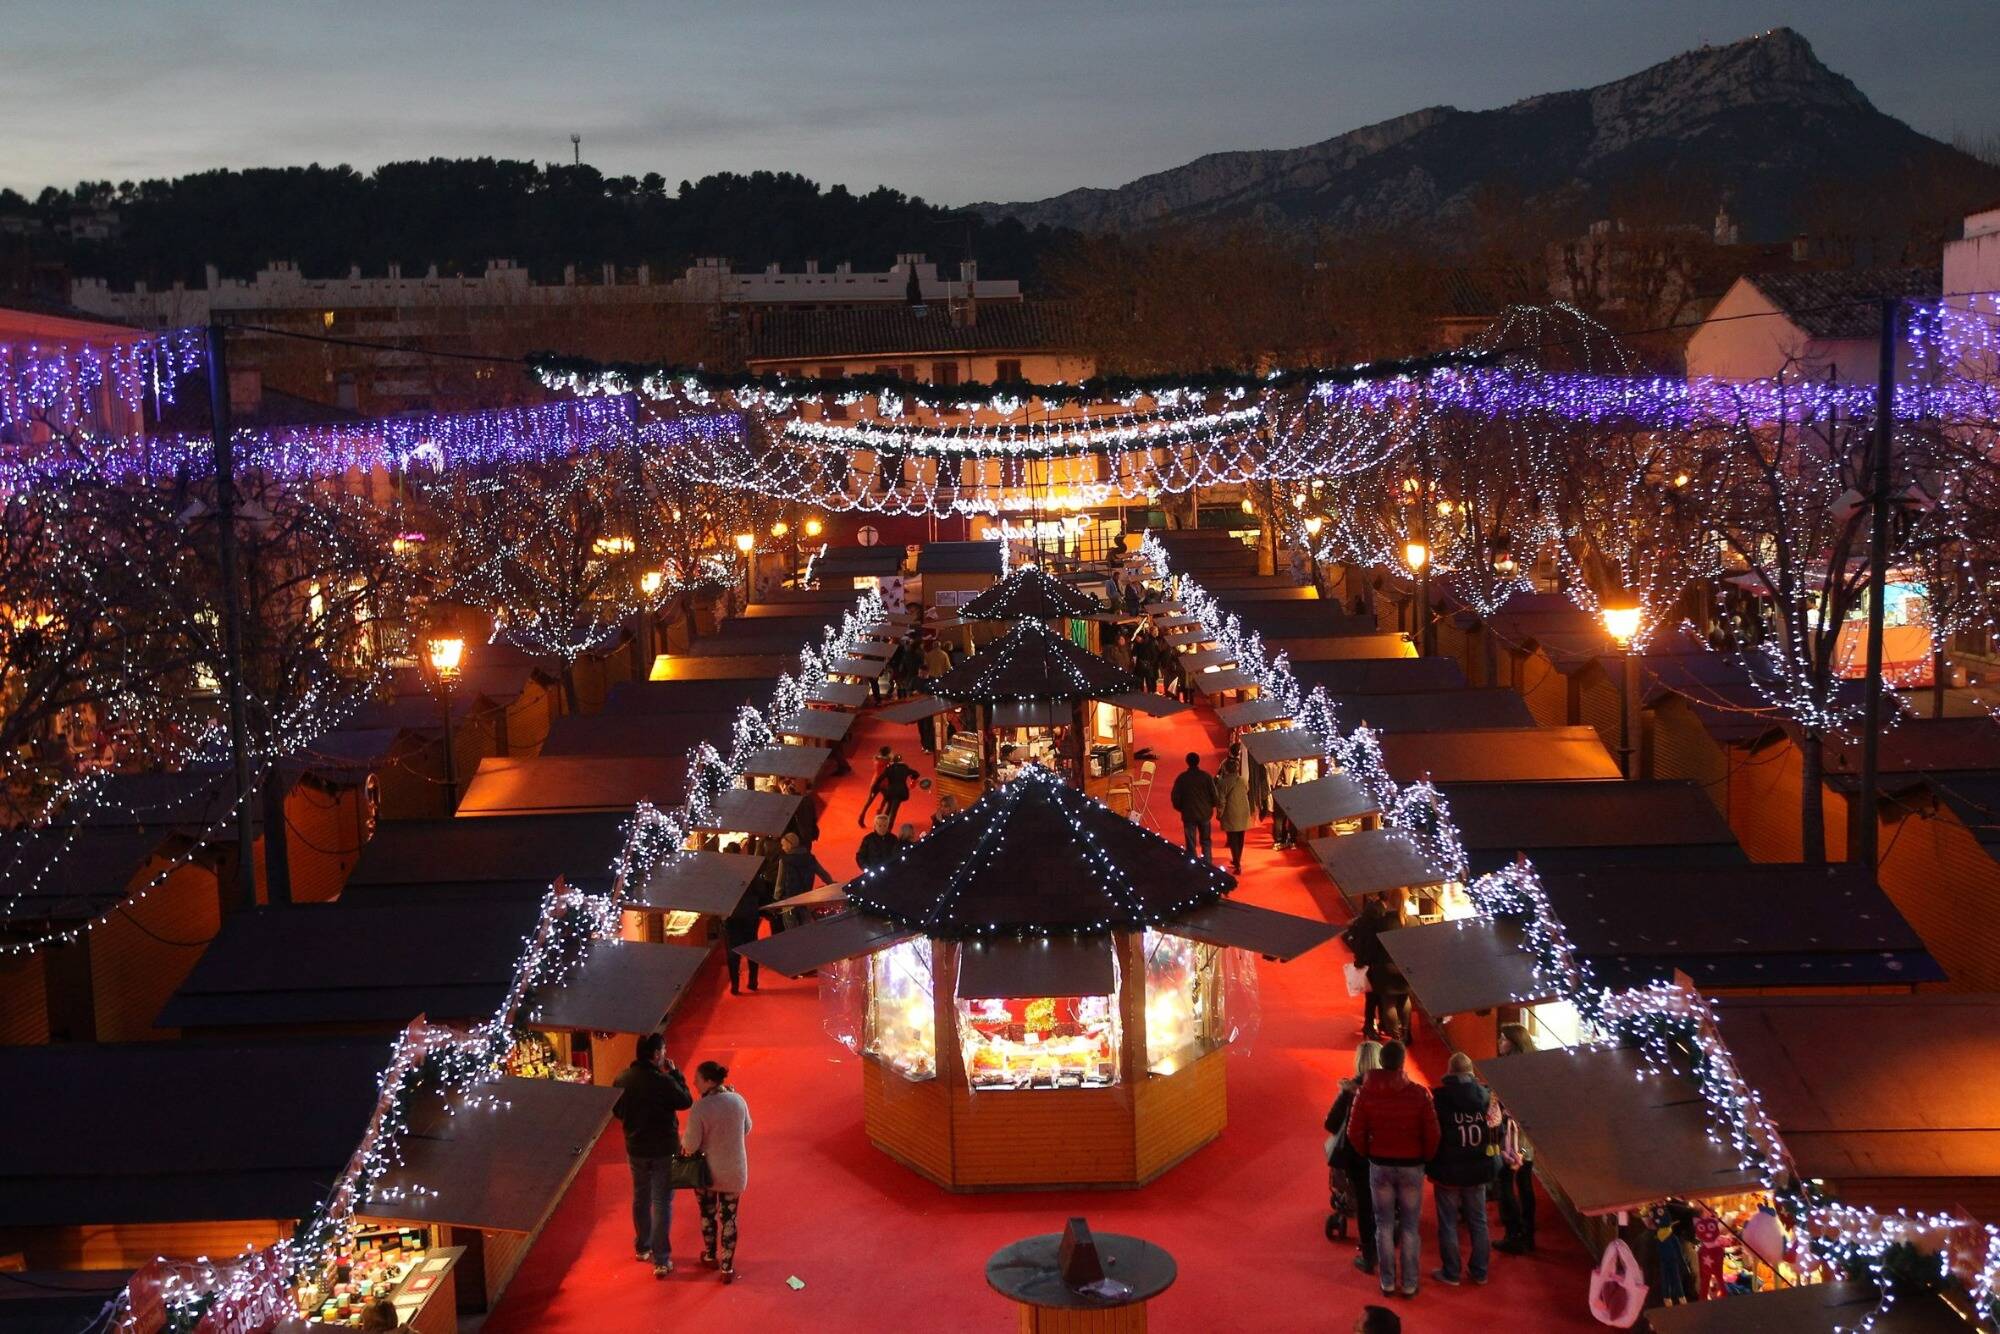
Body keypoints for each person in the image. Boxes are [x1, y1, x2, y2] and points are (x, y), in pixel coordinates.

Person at [1345, 1040, 1439, 1300]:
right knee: (1409, 1226)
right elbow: (1432, 1133)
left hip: (1380, 1165)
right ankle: (1409, 1283)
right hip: (1411, 1166)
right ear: (1401, 1063)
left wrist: (1369, 1153)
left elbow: (1354, 1132)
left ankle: (1387, 1281)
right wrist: (1425, 1159)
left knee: (1383, 1224)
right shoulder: (1419, 1095)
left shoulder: (1365, 1093)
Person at [612, 1032, 693, 1277]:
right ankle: (661, 1258)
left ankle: (642, 1246)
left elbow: (616, 1110)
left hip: (636, 1148)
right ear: (656, 1054)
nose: (665, 1054)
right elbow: (685, 1101)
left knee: (640, 1197)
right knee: (661, 1202)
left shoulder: (622, 1080)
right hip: (663, 1149)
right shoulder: (663, 1082)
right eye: (663, 1051)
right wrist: (676, 1074)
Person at [1427, 1052, 1494, 1287]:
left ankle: (1452, 1272)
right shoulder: (1485, 1097)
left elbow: (1433, 1135)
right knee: (1479, 1221)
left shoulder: (1440, 1099)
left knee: (1448, 1222)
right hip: (1477, 1170)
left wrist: (1430, 1163)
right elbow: (1495, 1132)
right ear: (1471, 1072)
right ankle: (1480, 1271)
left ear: (1450, 1071)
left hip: (1448, 1172)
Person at [682, 1059, 752, 1282]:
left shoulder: (700, 1107)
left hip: (708, 1173)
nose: (694, 1082)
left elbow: (690, 1145)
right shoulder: (738, 1100)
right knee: (729, 1218)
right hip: (734, 1170)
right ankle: (727, 1268)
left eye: (698, 1079)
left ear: (709, 1081)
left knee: (707, 1214)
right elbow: (747, 1128)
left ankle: (711, 1255)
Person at [1326, 1040, 1383, 1277]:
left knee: (1365, 1203)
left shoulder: (1351, 1090)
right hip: (1387, 1154)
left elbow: (1330, 1123)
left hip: (1358, 1157)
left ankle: (1369, 1253)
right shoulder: (1393, 1086)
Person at [1492, 1023, 1539, 1255]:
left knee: (1505, 1180)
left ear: (1514, 1043)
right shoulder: (1534, 1068)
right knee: (1525, 1182)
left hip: (1512, 1133)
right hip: (1528, 1134)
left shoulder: (1508, 1069)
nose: (1500, 1042)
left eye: (1503, 1039)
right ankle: (1528, 1233)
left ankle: (1514, 1232)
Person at [1341, 898, 1393, 1040]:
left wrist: (1358, 954)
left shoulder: (1360, 924)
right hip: (1377, 966)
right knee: (1377, 998)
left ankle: (1372, 1025)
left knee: (1372, 998)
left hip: (1366, 965)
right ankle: (1375, 1025)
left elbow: (1347, 936)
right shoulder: (1378, 926)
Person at [1169, 751, 1218, 864]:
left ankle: (1193, 864)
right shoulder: (1206, 777)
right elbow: (1214, 795)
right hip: (1205, 814)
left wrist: (1181, 808)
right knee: (1206, 840)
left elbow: (1175, 797)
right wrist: (1211, 806)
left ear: (1187, 762)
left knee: (1190, 843)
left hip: (1189, 814)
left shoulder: (1182, 778)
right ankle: (1208, 863)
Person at [723, 883, 764, 995]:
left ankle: (735, 985)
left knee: (733, 951)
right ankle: (753, 981)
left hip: (732, 915)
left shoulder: (729, 878)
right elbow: (761, 889)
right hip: (750, 913)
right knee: (752, 948)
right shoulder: (751, 873)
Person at [1215, 757, 1254, 874]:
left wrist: (1219, 813)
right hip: (1243, 811)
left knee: (1232, 838)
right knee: (1240, 837)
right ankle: (1237, 859)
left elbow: (1221, 800)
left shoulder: (1223, 783)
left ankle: (1237, 862)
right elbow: (1247, 790)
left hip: (1230, 812)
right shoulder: (1242, 780)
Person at [1367, 956, 1413, 1044]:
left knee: (1389, 1003)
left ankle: (1397, 1038)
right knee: (1404, 997)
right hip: (1405, 965)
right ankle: (1406, 1034)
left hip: (1385, 966)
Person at [875, 752, 916, 829]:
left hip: (890, 792)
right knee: (893, 812)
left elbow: (880, 778)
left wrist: (879, 786)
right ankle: (888, 829)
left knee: (888, 809)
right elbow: (916, 773)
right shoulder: (905, 768)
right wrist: (913, 778)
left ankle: (881, 827)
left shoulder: (889, 768)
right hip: (900, 792)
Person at [857, 746, 893, 825]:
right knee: (889, 801)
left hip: (875, 782)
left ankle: (861, 816)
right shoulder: (888, 762)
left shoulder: (876, 759)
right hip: (884, 784)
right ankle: (881, 815)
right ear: (887, 753)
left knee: (869, 801)